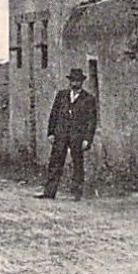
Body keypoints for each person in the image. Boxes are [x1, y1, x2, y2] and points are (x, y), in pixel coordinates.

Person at [37, 67, 98, 200]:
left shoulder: (88, 99)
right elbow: (53, 115)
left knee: (78, 164)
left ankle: (77, 193)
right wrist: (51, 133)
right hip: (61, 134)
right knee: (55, 162)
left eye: (78, 81)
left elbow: (92, 121)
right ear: (69, 81)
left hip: (77, 136)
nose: (75, 83)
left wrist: (87, 139)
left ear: (82, 82)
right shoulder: (61, 95)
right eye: (73, 81)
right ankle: (49, 192)